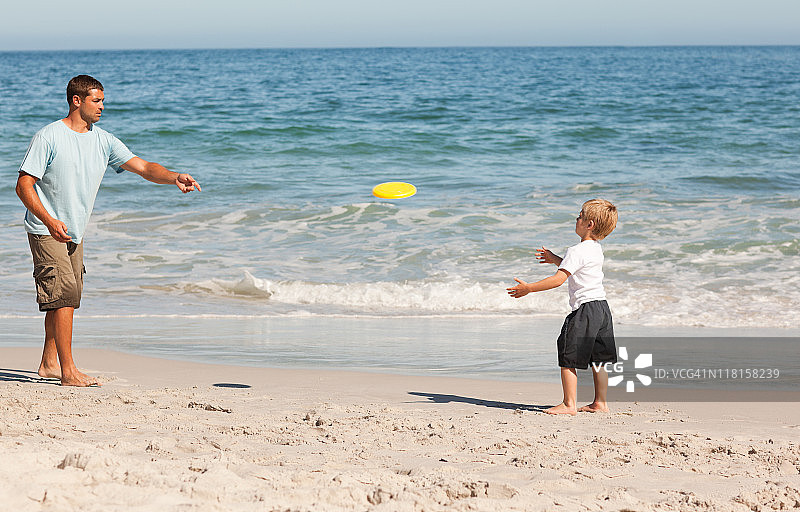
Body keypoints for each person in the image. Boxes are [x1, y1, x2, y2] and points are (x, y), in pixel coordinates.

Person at [15, 74, 201, 387]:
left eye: (103, 100)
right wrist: (49, 221)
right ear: (77, 101)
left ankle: (49, 363)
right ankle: (69, 372)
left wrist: (173, 177)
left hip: (75, 231)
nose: (102, 106)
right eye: (96, 100)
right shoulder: (48, 136)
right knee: (63, 298)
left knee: (65, 298)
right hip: (46, 229)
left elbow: (142, 167)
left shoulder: (103, 140)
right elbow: (23, 185)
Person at [507, 199, 618, 415]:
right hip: (602, 309)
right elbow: (577, 268)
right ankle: (600, 402)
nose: (577, 219)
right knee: (599, 359)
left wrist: (529, 288)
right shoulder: (596, 249)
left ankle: (569, 404)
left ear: (590, 224)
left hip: (584, 310)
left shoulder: (575, 250)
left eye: (580, 216)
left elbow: (558, 280)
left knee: (568, 354)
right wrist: (556, 259)